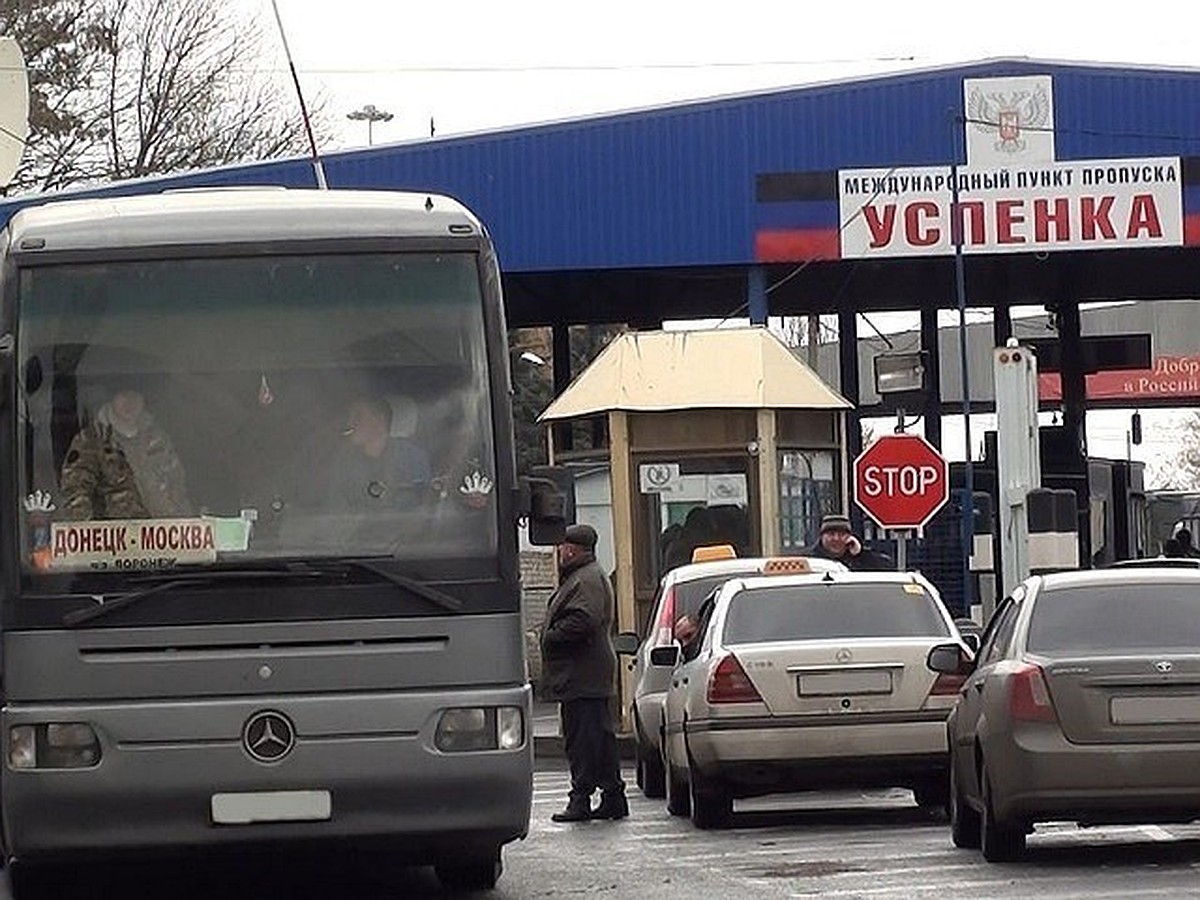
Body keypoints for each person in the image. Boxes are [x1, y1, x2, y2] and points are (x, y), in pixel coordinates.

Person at [540, 523, 628, 823]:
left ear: (572, 549)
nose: (560, 552)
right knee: (599, 739)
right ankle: (613, 796)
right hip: (587, 673)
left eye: (563, 547)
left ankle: (581, 799)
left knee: (583, 740)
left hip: (583, 672)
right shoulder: (584, 576)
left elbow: (583, 620)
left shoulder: (586, 579)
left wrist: (552, 636)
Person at [59, 381, 191, 520]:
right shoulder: (91, 440)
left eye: (136, 396)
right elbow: (74, 490)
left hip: (158, 533)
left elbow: (177, 486)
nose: (130, 402)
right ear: (113, 398)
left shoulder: (158, 440)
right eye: (124, 395)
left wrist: (184, 527)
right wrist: (88, 531)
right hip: (109, 536)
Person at [327, 394, 432, 509]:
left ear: (379, 420)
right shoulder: (344, 462)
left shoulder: (412, 457)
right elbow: (335, 507)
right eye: (350, 418)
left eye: (358, 416)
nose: (350, 424)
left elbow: (423, 506)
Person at [805, 513, 894, 571]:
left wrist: (861, 554)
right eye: (831, 534)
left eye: (842, 534)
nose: (836, 539)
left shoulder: (861, 558)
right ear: (822, 536)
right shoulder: (809, 560)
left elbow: (888, 569)